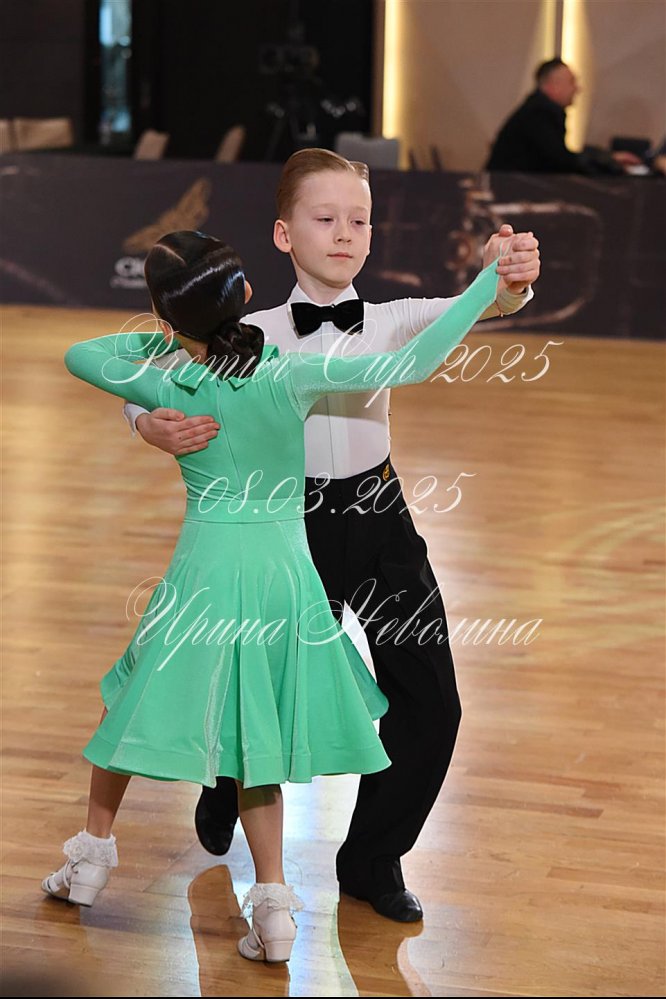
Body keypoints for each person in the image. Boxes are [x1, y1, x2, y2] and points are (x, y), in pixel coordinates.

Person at [42, 228, 507, 963]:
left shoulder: (172, 380)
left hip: (204, 571)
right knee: (259, 730)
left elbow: (82, 355)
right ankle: (274, 909)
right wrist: (485, 286)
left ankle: (92, 857)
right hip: (285, 574)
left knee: (128, 693)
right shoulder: (290, 372)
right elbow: (413, 363)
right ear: (248, 295)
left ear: (164, 313)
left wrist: (167, 341)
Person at [123, 149, 541, 924]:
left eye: (360, 220)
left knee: (432, 700)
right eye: (326, 218)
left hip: (381, 519)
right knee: (263, 686)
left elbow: (483, 306)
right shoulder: (245, 332)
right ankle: (225, 782)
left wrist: (505, 275)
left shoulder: (392, 321)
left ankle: (372, 857)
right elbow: (146, 375)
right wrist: (149, 423)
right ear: (284, 234)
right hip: (282, 524)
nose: (345, 232)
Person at [485, 57, 642, 174]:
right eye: (572, 82)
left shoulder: (537, 109)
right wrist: (608, 162)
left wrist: (607, 158)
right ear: (552, 86)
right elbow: (561, 161)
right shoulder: (539, 113)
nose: (577, 89)